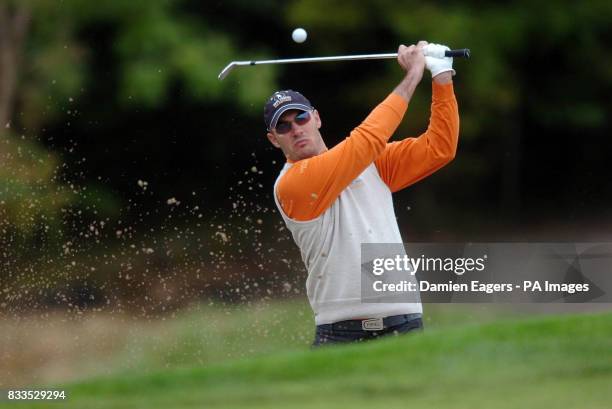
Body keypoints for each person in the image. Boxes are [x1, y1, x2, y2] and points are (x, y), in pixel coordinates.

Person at [264, 41, 459, 346]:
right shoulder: (291, 184)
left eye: (300, 118)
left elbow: (440, 148)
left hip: (403, 319)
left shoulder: (371, 162)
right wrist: (412, 76)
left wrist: (442, 77)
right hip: (339, 330)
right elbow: (366, 141)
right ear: (274, 140)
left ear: (316, 118)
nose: (296, 129)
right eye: (284, 127)